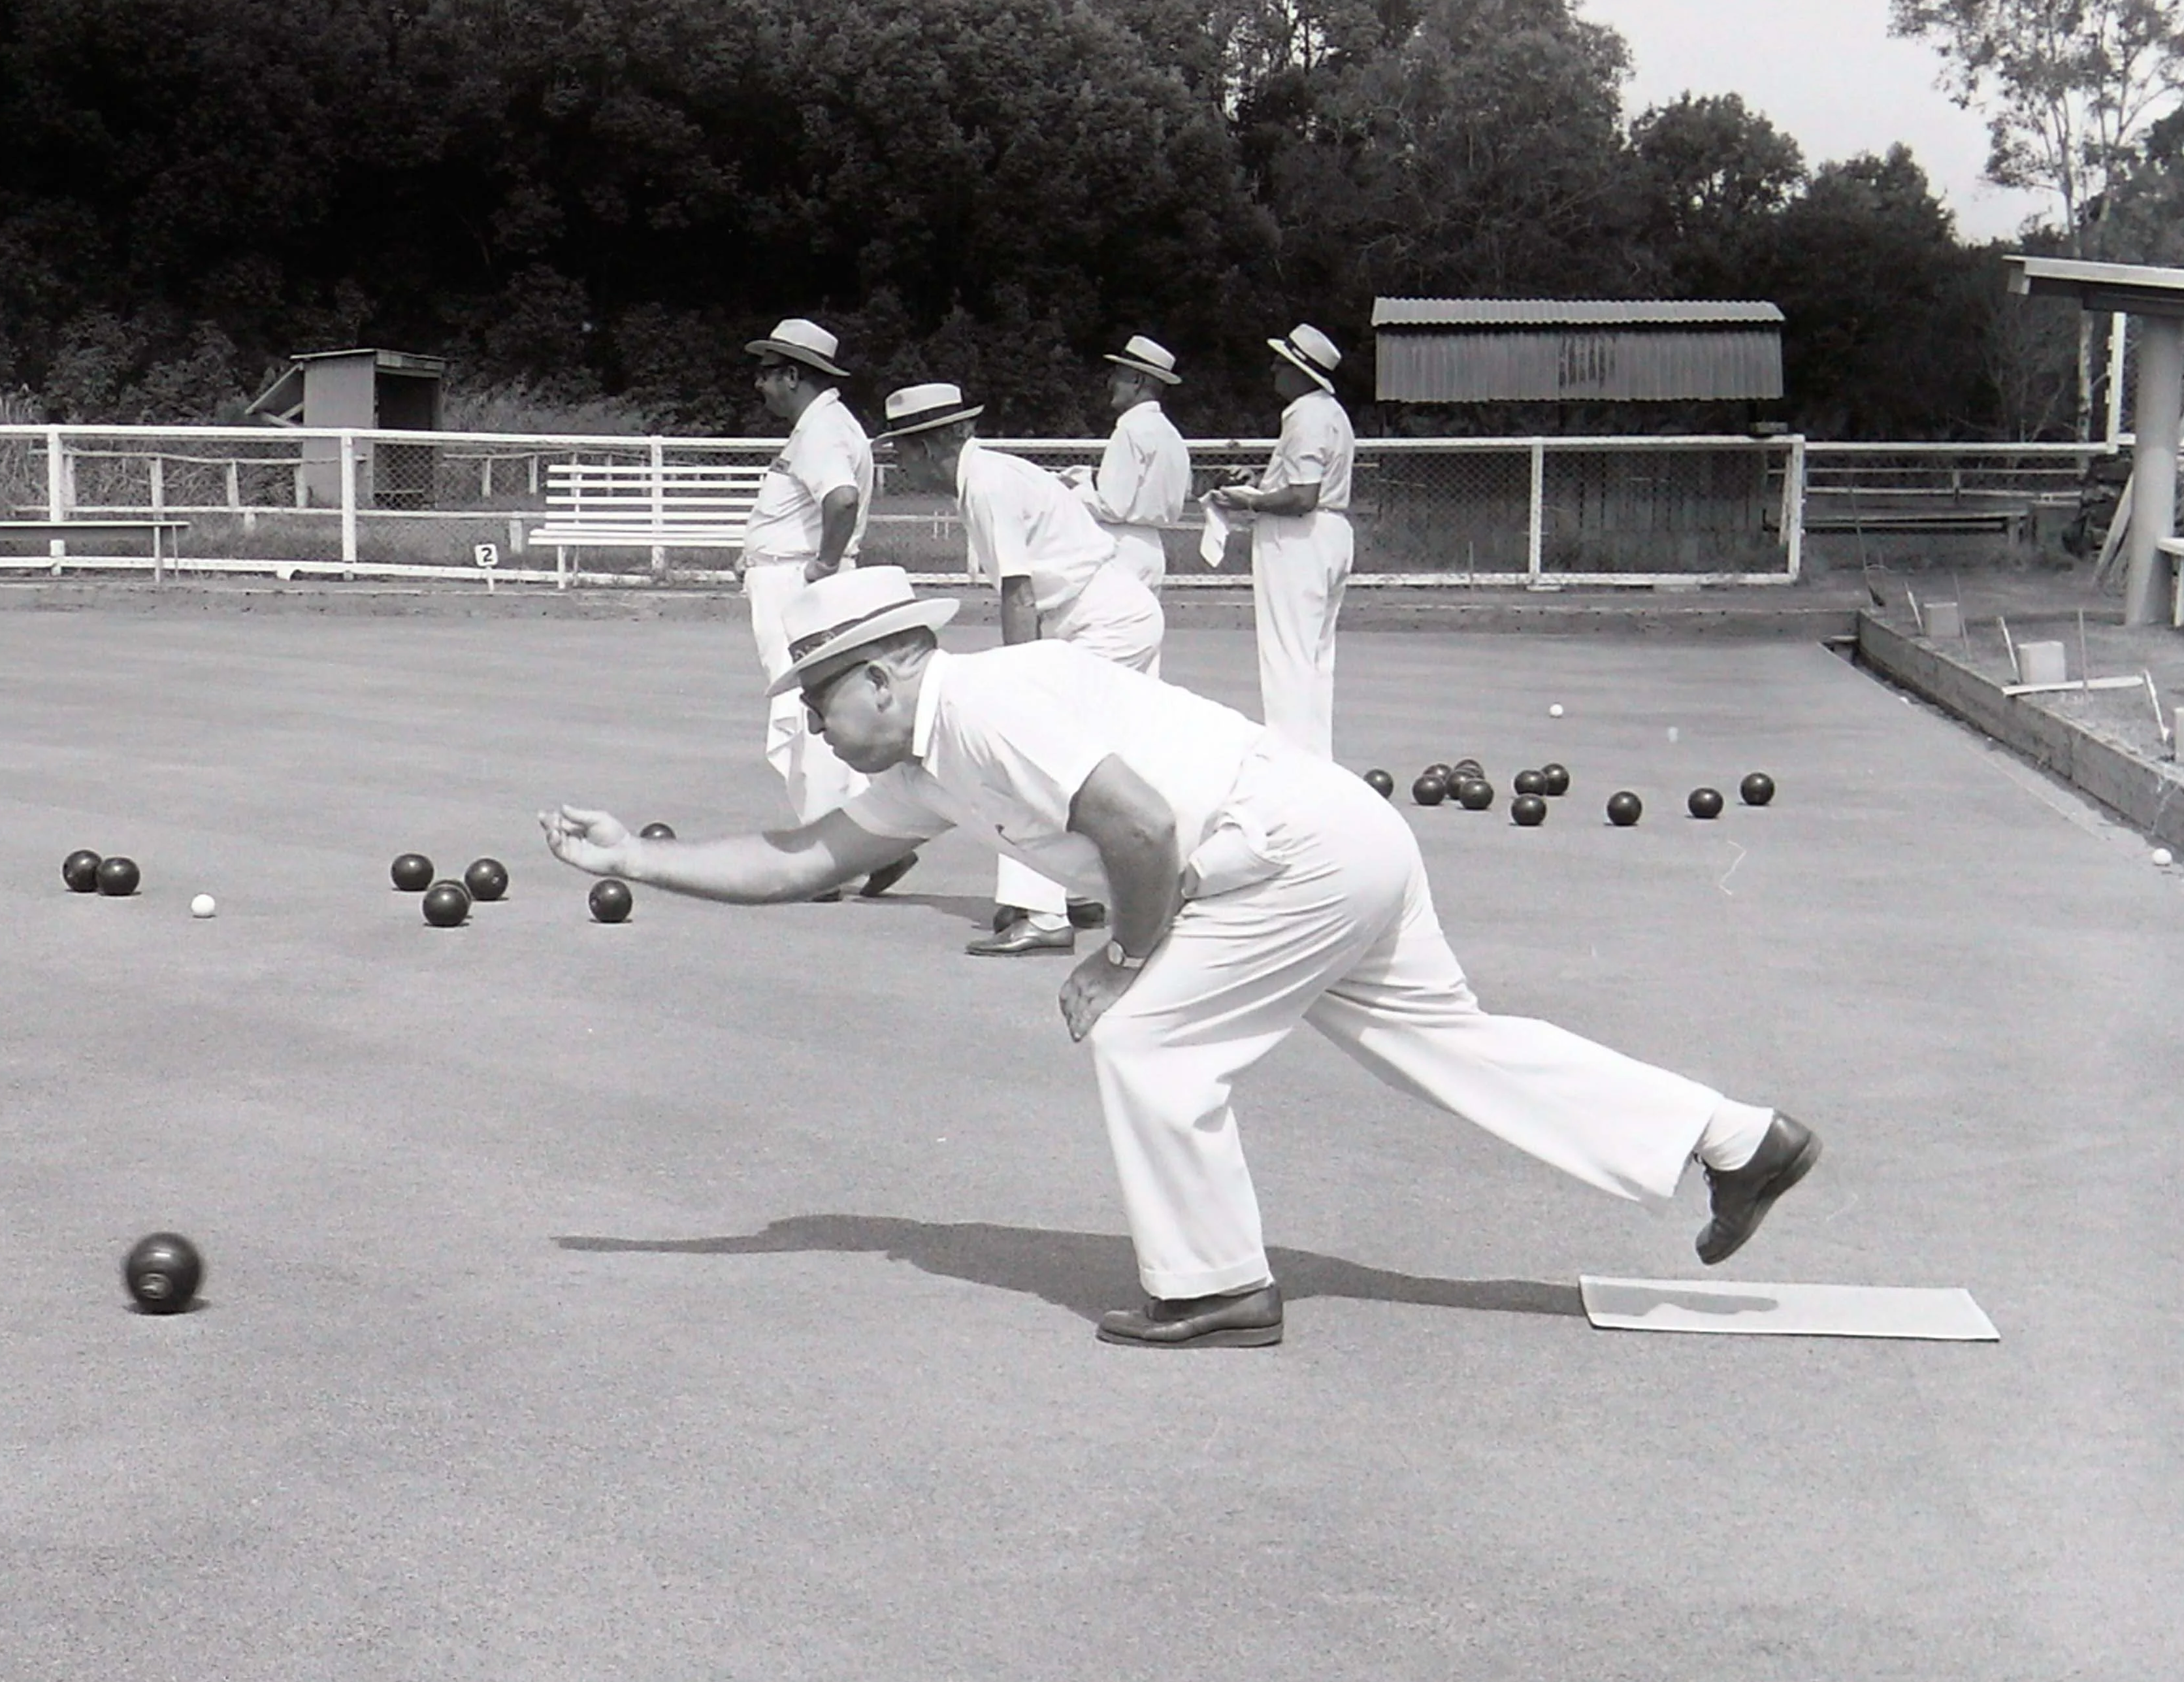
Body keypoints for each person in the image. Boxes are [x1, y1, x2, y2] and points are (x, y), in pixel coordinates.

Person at [537, 567, 1820, 1349]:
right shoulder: (936, 756)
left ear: (878, 676)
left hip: (1289, 851)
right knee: (1451, 1043)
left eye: (817, 699)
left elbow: (1139, 825)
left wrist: (1122, 962)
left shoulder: (982, 707)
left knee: (1147, 1037)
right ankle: (1736, 1139)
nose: (812, 722)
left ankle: (1215, 1288)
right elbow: (800, 857)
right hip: (1335, 839)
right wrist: (635, 859)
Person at [872, 380, 1165, 956]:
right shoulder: (991, 474)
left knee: (1030, 754)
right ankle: (1082, 890)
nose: (902, 463)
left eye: (903, 449)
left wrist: (1017, 681)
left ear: (931, 446)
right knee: (1097, 761)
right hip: (1111, 611)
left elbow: (1019, 592)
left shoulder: (985, 486)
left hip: (1100, 621)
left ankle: (1041, 911)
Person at [733, 316, 900, 891]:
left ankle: (827, 861)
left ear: (794, 375)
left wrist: (821, 566)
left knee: (809, 718)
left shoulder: (823, 429)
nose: (759, 386)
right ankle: (874, 848)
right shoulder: (821, 424)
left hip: (801, 589)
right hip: (790, 578)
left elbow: (842, 499)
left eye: (766, 374)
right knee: (822, 714)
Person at [1209, 321, 1356, 759]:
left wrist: (1249, 500)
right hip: (1329, 536)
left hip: (1298, 541)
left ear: (1301, 372)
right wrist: (1260, 481)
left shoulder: (1305, 414)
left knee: (1286, 657)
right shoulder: (1332, 413)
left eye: (1283, 362)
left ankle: (1291, 766)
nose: (1274, 367)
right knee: (1314, 659)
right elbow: (1302, 483)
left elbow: (1302, 496)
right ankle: (1315, 763)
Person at [1086, 335, 1194, 593]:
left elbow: (1112, 506)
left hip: (1122, 548)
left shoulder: (1130, 430)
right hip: (1153, 550)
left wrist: (1075, 489)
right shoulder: (1171, 434)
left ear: (1137, 381)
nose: (1111, 383)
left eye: (1118, 376)